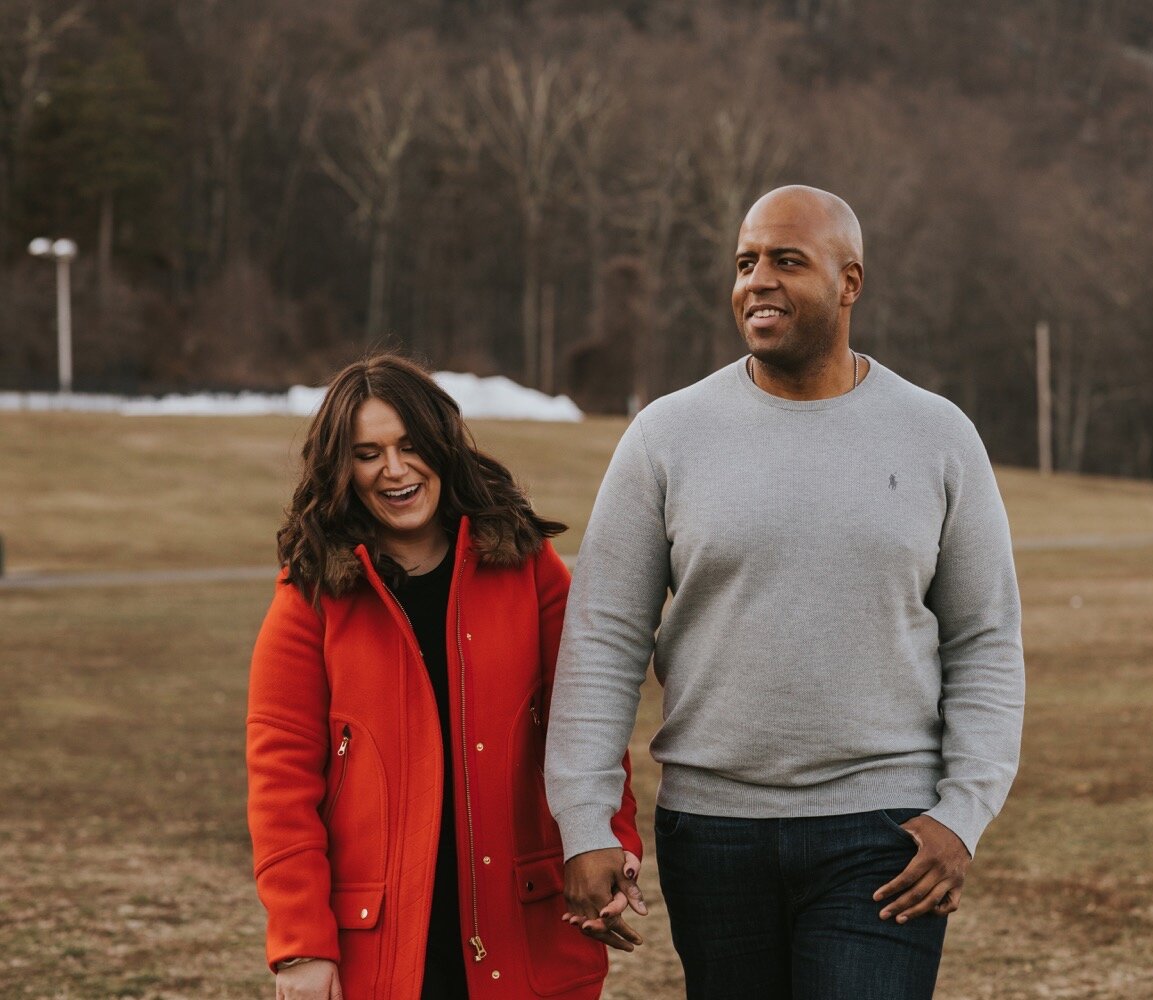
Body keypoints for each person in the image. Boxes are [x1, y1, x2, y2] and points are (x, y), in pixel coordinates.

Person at [544, 186, 1025, 998]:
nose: (757, 280)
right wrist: (584, 821)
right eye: (745, 262)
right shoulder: (667, 435)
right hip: (712, 836)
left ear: (850, 283)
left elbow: (984, 639)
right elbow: (602, 638)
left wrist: (962, 815)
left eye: (786, 261)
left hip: (884, 836)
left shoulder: (938, 435)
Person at [246, 354, 644, 1000]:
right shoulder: (311, 596)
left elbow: (588, 717)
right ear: (341, 468)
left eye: (409, 446)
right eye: (367, 453)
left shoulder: (527, 566)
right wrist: (300, 946)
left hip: (522, 926)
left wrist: (609, 838)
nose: (394, 470)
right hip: (384, 944)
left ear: (442, 447)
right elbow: (280, 784)